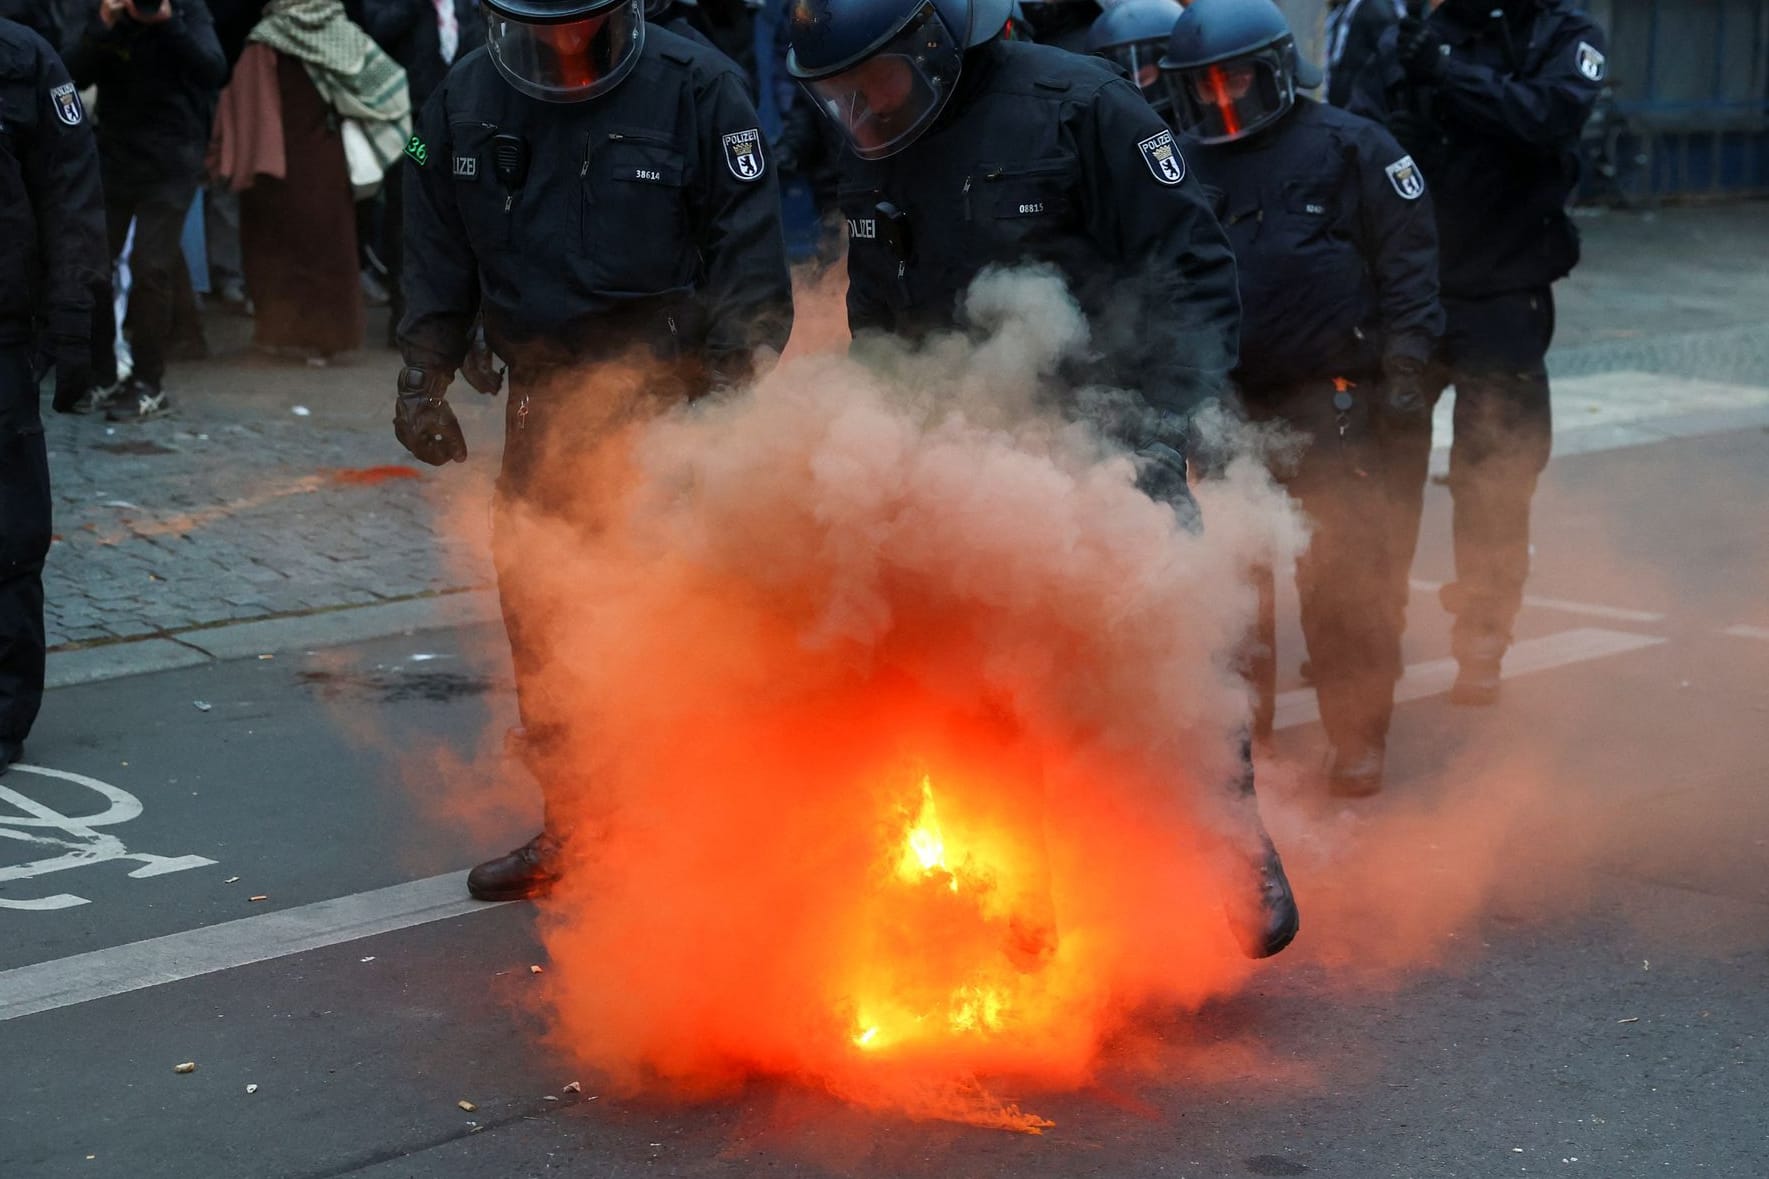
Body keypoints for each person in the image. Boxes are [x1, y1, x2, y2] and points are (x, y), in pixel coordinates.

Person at [784, 0, 1298, 958]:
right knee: (974, 675)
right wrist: (875, 437)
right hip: (967, 448)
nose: (856, 111)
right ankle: (1017, 895)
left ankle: (1236, 851)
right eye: (834, 97)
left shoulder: (1082, 106)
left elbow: (1192, 267)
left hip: (1106, 431)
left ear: (934, 43)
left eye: (872, 84)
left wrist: (1154, 429)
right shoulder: (880, 133)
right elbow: (879, 305)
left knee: (1173, 655)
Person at [396, 0, 794, 901]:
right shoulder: (460, 103)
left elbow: (750, 266)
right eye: (541, 27)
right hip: (544, 410)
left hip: (670, 406)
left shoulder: (701, 91)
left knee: (679, 633)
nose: (560, 44)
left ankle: (704, 838)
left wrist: (725, 416)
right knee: (546, 629)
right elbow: (433, 237)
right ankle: (576, 828)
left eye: (580, 22)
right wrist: (421, 374)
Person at [1152, 0, 1441, 795]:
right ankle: (1251, 744)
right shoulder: (1179, 163)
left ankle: (1358, 739)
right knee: (1234, 588)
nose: (1218, 96)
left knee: (1343, 577)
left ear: (1275, 71)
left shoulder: (1352, 146)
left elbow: (1410, 264)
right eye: (1200, 84)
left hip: (1331, 401)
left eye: (1233, 78)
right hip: (1229, 402)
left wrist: (1408, 367)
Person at [1349, 0, 1606, 704]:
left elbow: (1548, 116)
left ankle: (1483, 639)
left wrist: (1450, 75)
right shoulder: (1415, 28)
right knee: (1380, 468)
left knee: (1495, 474)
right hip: (1413, 291)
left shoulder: (1562, 33)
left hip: (1505, 294)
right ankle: (1369, 636)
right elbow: (1356, 127)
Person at [0, 16, 108, 773]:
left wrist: (76, 329)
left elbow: (72, 200)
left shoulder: (23, 60)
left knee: (9, 535)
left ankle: (4, 712)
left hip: (2, 335)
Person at [66, 0, 228, 421]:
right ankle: (103, 373)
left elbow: (214, 69)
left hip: (173, 160)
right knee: (93, 265)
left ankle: (148, 381)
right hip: (116, 158)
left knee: (150, 267)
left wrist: (168, 23)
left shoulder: (187, 10)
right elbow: (69, 77)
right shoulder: (106, 13)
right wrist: (103, 25)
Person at [1323, 0, 1400, 109]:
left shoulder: (1378, 12)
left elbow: (1388, 66)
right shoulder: (1346, 8)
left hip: (1357, 107)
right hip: (1341, 102)